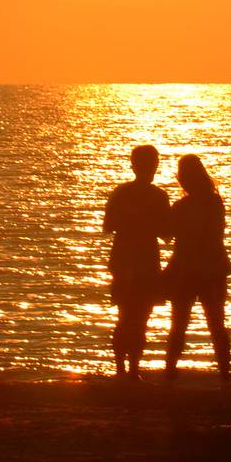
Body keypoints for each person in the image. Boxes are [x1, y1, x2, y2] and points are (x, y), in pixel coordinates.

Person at [102, 144, 171, 378]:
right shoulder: (158, 196)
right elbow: (167, 233)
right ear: (154, 166)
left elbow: (108, 226)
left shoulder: (121, 193)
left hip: (124, 259)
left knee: (126, 317)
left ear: (133, 165)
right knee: (140, 318)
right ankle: (130, 370)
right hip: (144, 261)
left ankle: (123, 369)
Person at [163, 153, 231, 378]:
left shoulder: (181, 206)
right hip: (214, 267)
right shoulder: (215, 201)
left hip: (186, 270)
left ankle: (170, 373)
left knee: (179, 324)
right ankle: (225, 376)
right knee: (217, 325)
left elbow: (167, 235)